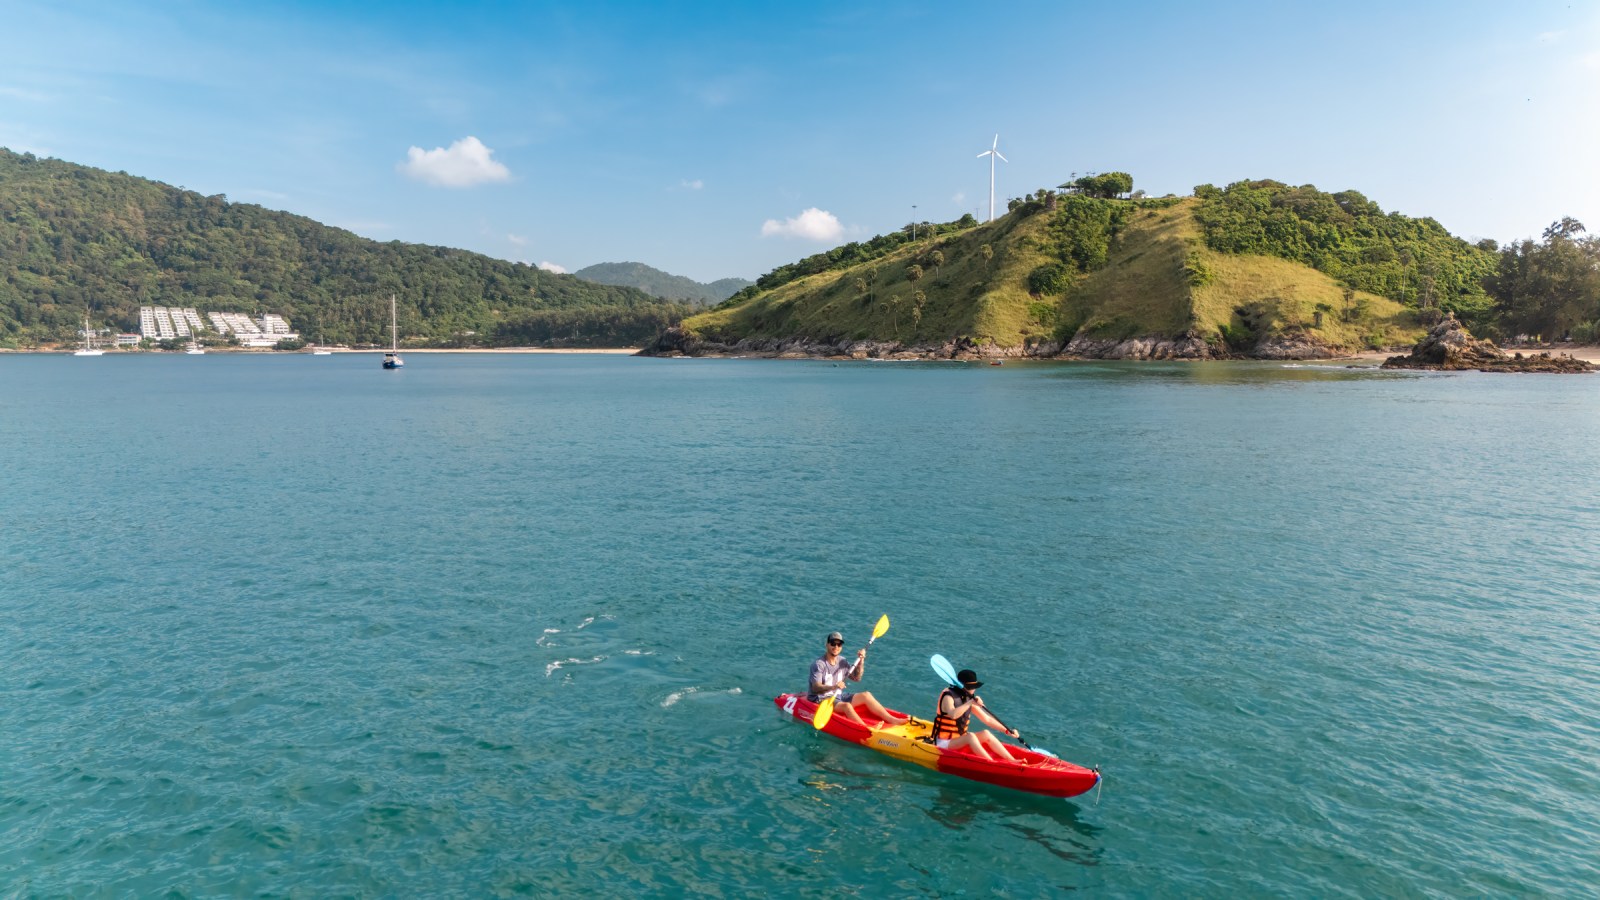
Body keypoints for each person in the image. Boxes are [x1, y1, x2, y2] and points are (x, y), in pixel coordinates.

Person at [808, 630, 909, 728]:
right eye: (833, 644)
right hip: (822, 698)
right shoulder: (819, 664)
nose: (836, 647)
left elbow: (857, 678)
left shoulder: (842, 661)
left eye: (839, 645)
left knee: (866, 695)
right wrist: (834, 687)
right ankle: (866, 729)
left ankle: (893, 720)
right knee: (847, 706)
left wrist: (861, 661)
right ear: (827, 645)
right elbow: (815, 688)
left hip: (838, 696)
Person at [931, 668, 1021, 762]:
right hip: (943, 743)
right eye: (972, 687)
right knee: (970, 736)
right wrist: (970, 703)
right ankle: (991, 763)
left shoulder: (967, 699)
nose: (974, 690)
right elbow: (953, 714)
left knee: (986, 733)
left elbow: (987, 719)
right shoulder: (948, 696)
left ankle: (1012, 760)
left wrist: (1007, 731)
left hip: (958, 740)